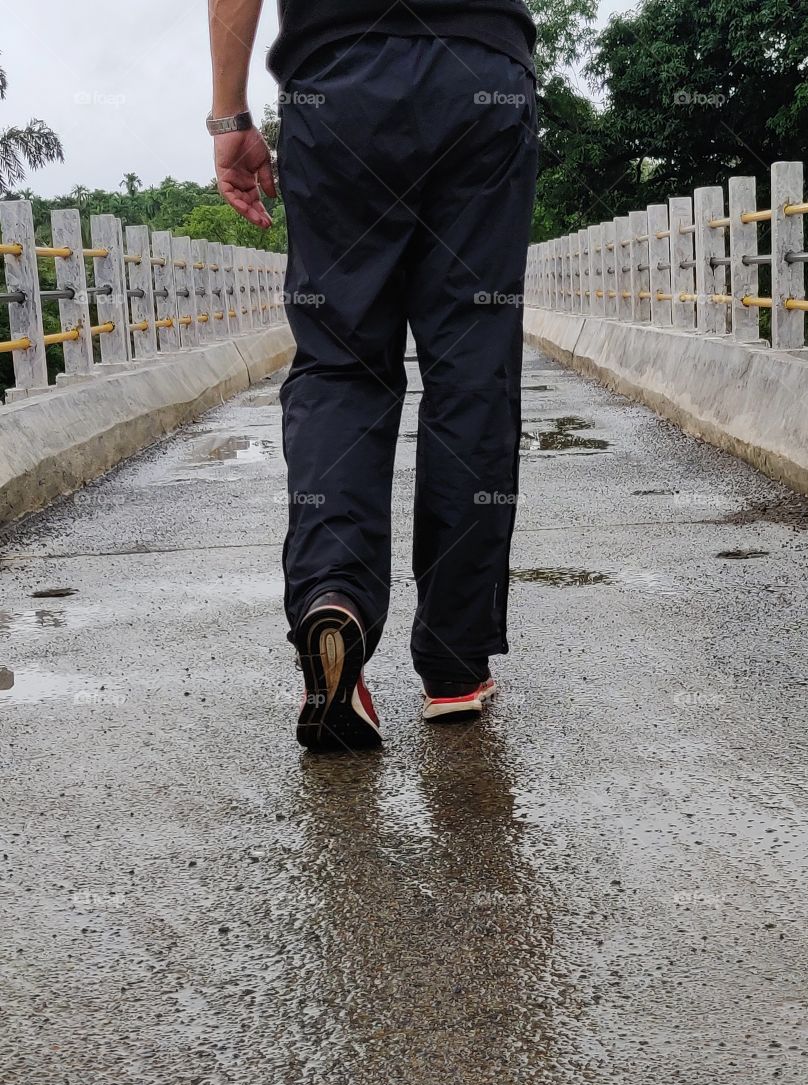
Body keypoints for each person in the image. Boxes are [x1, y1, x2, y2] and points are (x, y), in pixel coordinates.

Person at [207, 0, 539, 751]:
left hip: (338, 80)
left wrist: (230, 118)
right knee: (472, 369)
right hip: (480, 72)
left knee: (340, 363)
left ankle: (334, 598)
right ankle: (455, 667)